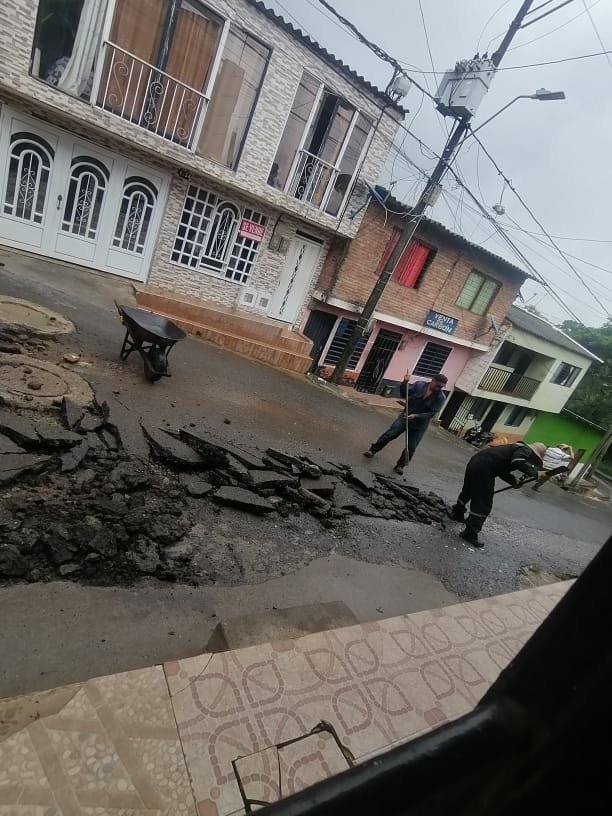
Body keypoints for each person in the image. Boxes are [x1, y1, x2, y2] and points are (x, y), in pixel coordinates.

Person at [449, 441, 547, 547]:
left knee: (468, 491)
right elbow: (518, 461)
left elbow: (502, 470)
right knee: (483, 503)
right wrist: (535, 473)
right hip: (484, 469)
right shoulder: (525, 450)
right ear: (534, 454)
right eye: (535, 460)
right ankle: (470, 533)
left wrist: (513, 481)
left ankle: (457, 512)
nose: (533, 462)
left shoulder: (514, 448)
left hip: (476, 462)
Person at [364, 372, 448, 474]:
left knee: (411, 446)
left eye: (441, 386)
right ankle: (372, 450)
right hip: (405, 417)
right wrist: (405, 382)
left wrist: (416, 416)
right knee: (390, 434)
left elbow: (431, 413)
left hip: (419, 425)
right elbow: (404, 394)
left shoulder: (441, 397)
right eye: (438, 385)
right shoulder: (419, 385)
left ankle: (400, 465)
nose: (439, 388)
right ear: (432, 380)